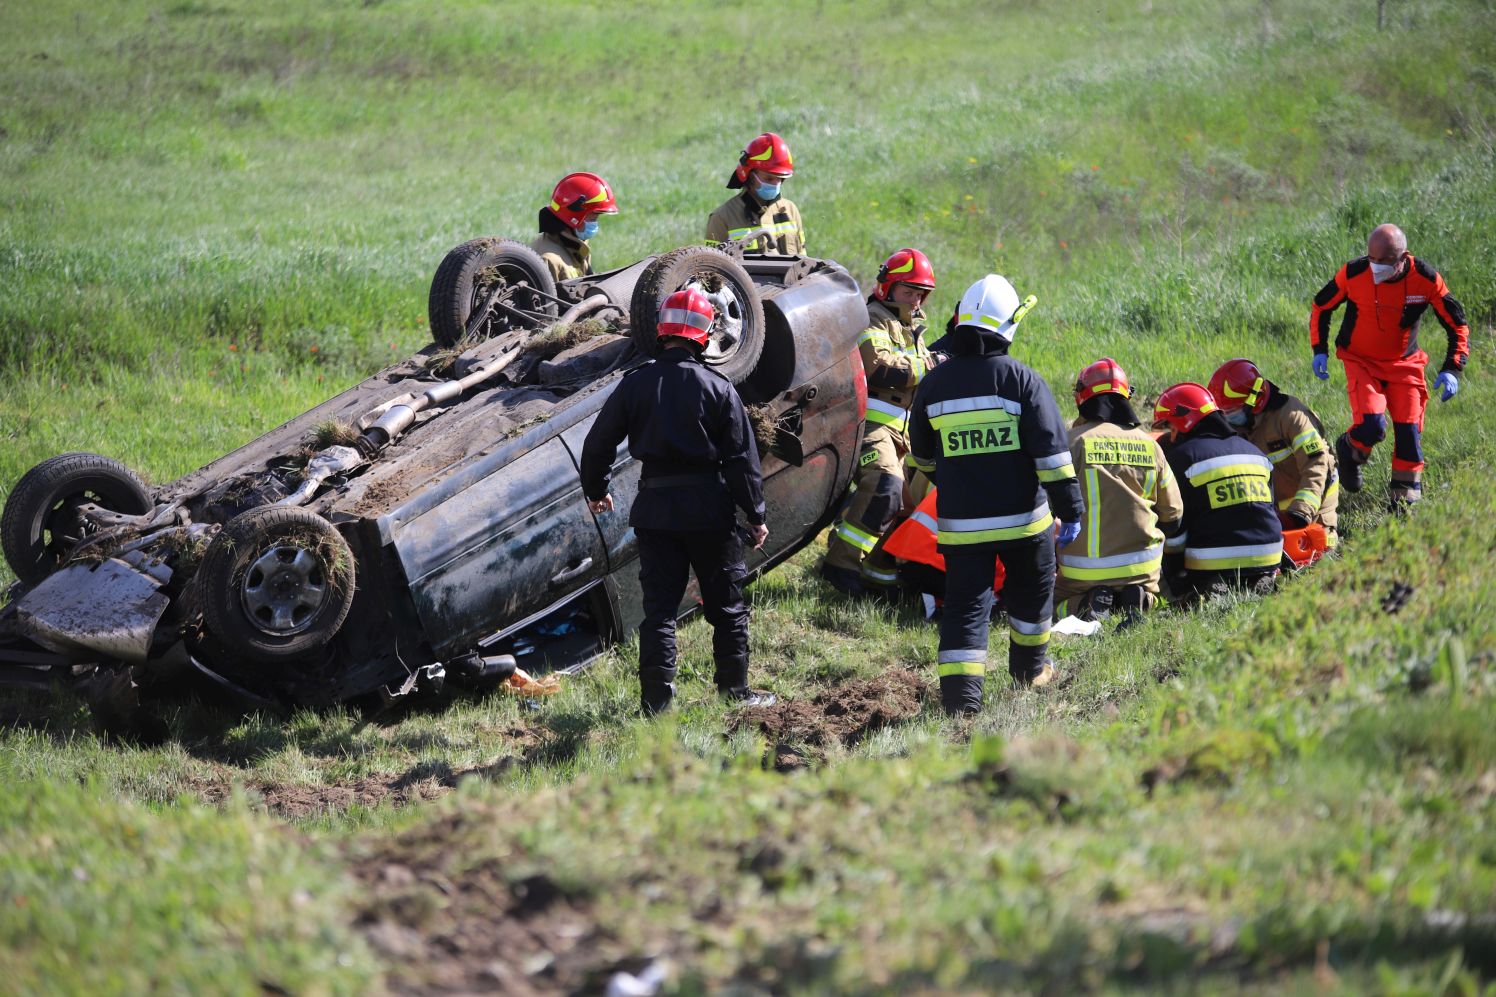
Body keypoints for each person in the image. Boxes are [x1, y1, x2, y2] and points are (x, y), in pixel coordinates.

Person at [578, 288, 775, 715]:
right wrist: (755, 514)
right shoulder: (719, 388)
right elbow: (742, 460)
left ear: (662, 330)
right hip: (709, 511)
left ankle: (656, 706)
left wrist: (597, 490)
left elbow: (596, 446)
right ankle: (735, 693)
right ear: (704, 335)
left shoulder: (635, 384)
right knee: (726, 606)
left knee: (659, 613)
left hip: (656, 511)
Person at [907, 275, 1084, 713]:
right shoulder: (1022, 381)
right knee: (1031, 593)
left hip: (962, 525)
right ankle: (1031, 672)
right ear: (1008, 326)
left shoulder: (934, 385)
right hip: (1025, 522)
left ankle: (961, 703)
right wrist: (1070, 510)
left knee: (966, 607)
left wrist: (955, 481)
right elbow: (1053, 457)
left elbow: (922, 456)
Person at [1308, 223, 1470, 509]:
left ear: (1403, 256)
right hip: (1361, 362)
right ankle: (1349, 450)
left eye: (1384, 261)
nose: (1376, 267)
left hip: (1405, 365)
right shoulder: (1354, 273)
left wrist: (1452, 369)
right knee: (1372, 425)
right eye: (1372, 259)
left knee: (1409, 435)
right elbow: (1322, 305)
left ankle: (1403, 506)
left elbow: (1457, 324)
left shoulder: (1427, 279)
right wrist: (1319, 350)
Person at [822, 248, 937, 598]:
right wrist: (931, 365)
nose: (915, 299)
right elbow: (883, 369)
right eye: (908, 291)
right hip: (871, 426)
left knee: (906, 507)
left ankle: (876, 575)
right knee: (884, 485)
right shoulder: (872, 318)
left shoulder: (913, 328)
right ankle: (840, 566)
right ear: (887, 288)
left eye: (920, 293)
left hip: (903, 433)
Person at [1054, 358, 1183, 627]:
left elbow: (1044, 505)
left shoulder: (1071, 443)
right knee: (1161, 599)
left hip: (1082, 572)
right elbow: (1174, 515)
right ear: (1127, 397)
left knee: (1052, 604)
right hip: (1142, 570)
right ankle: (1142, 599)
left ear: (1081, 397)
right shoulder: (1151, 446)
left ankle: (1086, 602)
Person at [1152, 383, 1283, 603]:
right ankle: (1257, 579)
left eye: (1172, 429)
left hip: (1212, 561)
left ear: (1185, 421)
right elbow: (1270, 510)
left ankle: (1208, 586)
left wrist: (1176, 577)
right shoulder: (1255, 452)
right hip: (1268, 554)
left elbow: (1176, 525)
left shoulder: (1181, 458)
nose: (1171, 438)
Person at [1208, 357, 1339, 546]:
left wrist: (1300, 512)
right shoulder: (1237, 426)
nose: (1227, 417)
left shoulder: (1291, 416)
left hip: (1314, 496)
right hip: (1272, 507)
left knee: (1317, 545)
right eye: (1224, 412)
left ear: (1255, 400)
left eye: (1232, 410)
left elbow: (1317, 464)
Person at [705, 132, 805, 255]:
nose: (775, 184)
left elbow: (802, 262)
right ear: (749, 175)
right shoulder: (721, 218)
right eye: (769, 178)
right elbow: (712, 268)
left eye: (780, 178)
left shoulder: (791, 211)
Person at [530, 171, 618, 283]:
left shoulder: (577, 246)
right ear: (574, 218)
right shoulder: (548, 260)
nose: (595, 225)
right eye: (593, 219)